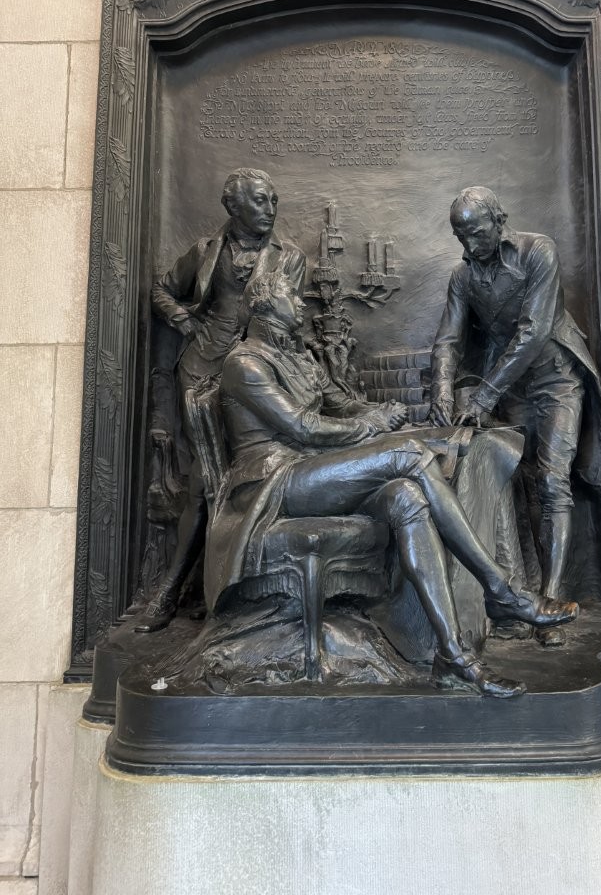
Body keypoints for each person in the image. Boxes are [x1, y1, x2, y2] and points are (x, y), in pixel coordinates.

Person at [206, 271, 578, 697]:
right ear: (265, 304)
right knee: (409, 457)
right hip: (274, 483)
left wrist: (385, 412)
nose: (301, 302)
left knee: (406, 495)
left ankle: (452, 656)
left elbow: (342, 404)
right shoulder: (244, 363)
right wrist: (372, 426)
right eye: (292, 294)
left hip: (315, 469)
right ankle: (503, 591)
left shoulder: (300, 355)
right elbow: (303, 426)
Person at [429, 186, 601, 645]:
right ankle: (518, 598)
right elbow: (448, 340)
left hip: (554, 378)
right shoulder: (463, 278)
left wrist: (484, 395)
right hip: (510, 388)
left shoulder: (538, 253)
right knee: (518, 484)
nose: (469, 246)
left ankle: (550, 604)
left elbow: (533, 332)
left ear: (498, 221)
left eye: (475, 233)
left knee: (552, 481)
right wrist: (443, 392)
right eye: (459, 236)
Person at [135, 168, 306, 632]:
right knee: (204, 483)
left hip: (255, 375)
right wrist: (186, 323)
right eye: (260, 201)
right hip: (204, 371)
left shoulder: (289, 258)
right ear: (234, 207)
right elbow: (160, 289)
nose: (271, 209)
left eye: (273, 200)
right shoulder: (206, 253)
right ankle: (173, 592)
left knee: (249, 477)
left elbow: (288, 321)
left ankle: (239, 591)